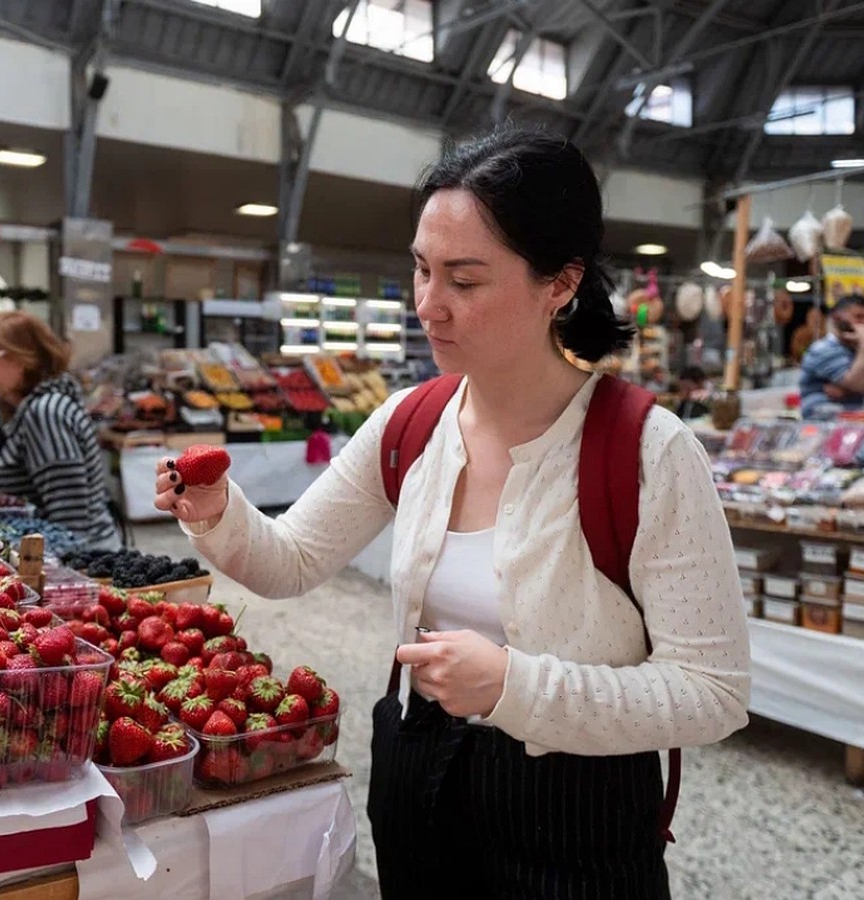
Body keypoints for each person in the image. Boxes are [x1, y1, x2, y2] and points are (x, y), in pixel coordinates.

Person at [154, 128, 750, 898]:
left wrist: (513, 686)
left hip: (579, 810)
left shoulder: (648, 452)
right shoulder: (411, 422)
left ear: (559, 283)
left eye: (464, 281)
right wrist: (215, 511)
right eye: (422, 269)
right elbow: (291, 560)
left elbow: (713, 690)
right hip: (417, 774)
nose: (428, 306)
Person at [0, 311, 119, 550]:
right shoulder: (35, 407)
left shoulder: (46, 414)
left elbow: (70, 525)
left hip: (87, 563)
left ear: (19, 359)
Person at [799, 294, 864, 419]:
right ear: (837, 318)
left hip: (862, 422)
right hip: (823, 424)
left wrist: (847, 391)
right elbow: (858, 384)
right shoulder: (822, 350)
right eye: (858, 317)